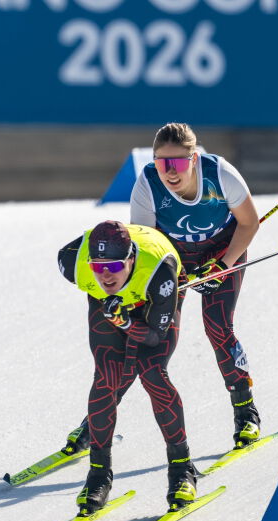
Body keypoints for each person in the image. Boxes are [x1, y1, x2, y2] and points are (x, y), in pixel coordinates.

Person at [62, 122, 263, 457]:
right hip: (171, 262)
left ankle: (246, 412)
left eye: (179, 163)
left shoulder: (220, 173)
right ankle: (94, 422)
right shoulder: (147, 185)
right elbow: (147, 247)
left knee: (218, 327)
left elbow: (248, 223)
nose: (170, 171)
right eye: (161, 162)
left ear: (195, 160)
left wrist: (224, 265)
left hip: (222, 252)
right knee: (146, 351)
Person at [57, 220, 197, 514]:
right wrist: (113, 308)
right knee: (106, 376)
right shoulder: (72, 262)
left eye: (115, 266)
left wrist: (125, 320)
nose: (106, 274)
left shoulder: (160, 274)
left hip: (153, 292)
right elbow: (95, 272)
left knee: (152, 371)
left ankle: (182, 469)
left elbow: (153, 336)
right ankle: (98, 475)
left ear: (131, 258)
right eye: (98, 266)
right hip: (110, 301)